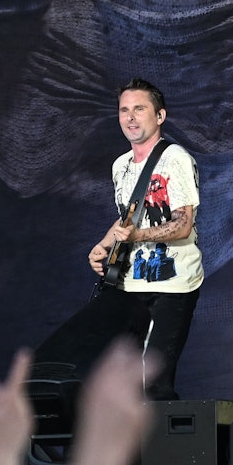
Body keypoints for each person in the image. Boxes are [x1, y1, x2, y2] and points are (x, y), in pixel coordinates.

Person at [88, 77, 203, 401]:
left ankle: (166, 451)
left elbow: (182, 224)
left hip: (172, 285)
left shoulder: (174, 158)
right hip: (130, 284)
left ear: (160, 116)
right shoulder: (120, 166)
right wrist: (103, 245)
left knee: (153, 383)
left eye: (139, 109)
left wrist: (137, 236)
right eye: (124, 110)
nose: (131, 117)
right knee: (124, 385)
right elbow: (128, 218)